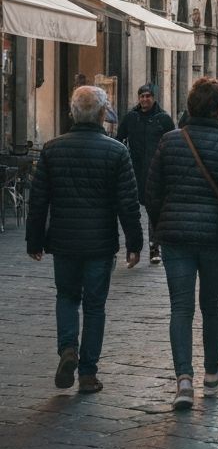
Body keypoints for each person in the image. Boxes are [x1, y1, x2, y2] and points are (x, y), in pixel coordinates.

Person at [146, 78, 218, 411]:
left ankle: (183, 380)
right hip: (214, 238)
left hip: (176, 238)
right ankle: (211, 374)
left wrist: (161, 222)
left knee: (180, 308)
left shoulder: (169, 142)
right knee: (212, 306)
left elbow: (151, 193)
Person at [26, 86, 142, 394]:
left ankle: (68, 349)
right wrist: (135, 243)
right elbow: (128, 203)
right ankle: (88, 373)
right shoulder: (117, 151)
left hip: (63, 241)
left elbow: (39, 201)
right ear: (103, 115)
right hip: (100, 244)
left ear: (72, 114)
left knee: (66, 297)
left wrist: (34, 241)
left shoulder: (52, 149)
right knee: (94, 306)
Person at [116, 84, 175, 264]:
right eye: (141, 96)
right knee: (130, 210)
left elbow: (172, 144)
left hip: (156, 173)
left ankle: (154, 247)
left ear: (154, 98)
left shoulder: (163, 119)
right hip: (133, 171)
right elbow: (119, 140)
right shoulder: (131, 118)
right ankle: (133, 249)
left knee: (153, 210)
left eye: (148, 96)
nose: (144, 99)